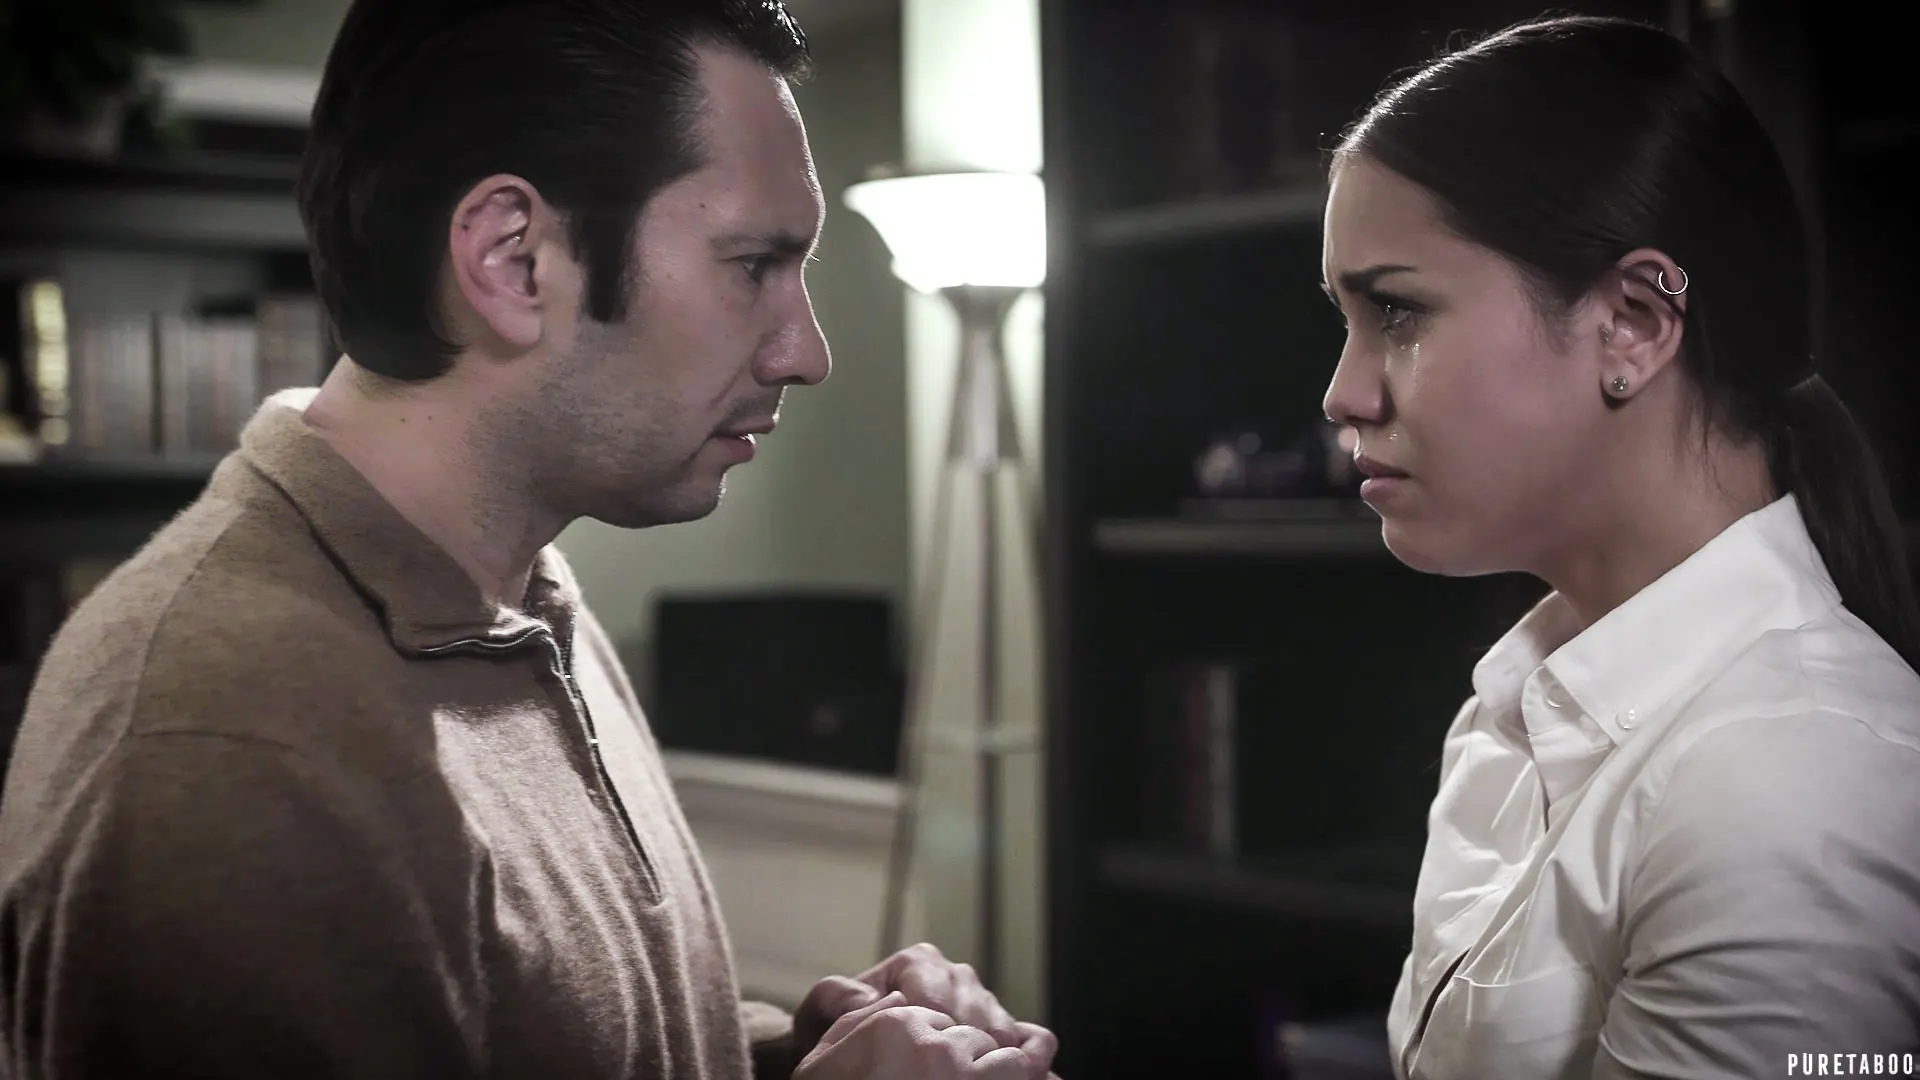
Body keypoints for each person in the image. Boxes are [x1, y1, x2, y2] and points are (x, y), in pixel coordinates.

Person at [0, 2, 1055, 1078]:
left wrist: (807, 1053)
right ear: (514, 259)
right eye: (753, 264)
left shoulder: (516, 597)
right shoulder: (226, 748)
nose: (806, 352)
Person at [1319, 14, 1920, 1079]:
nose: (1343, 393)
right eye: (1349, 322)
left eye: (1398, 313)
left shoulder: (1785, 783)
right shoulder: (1508, 722)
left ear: (1634, 323)